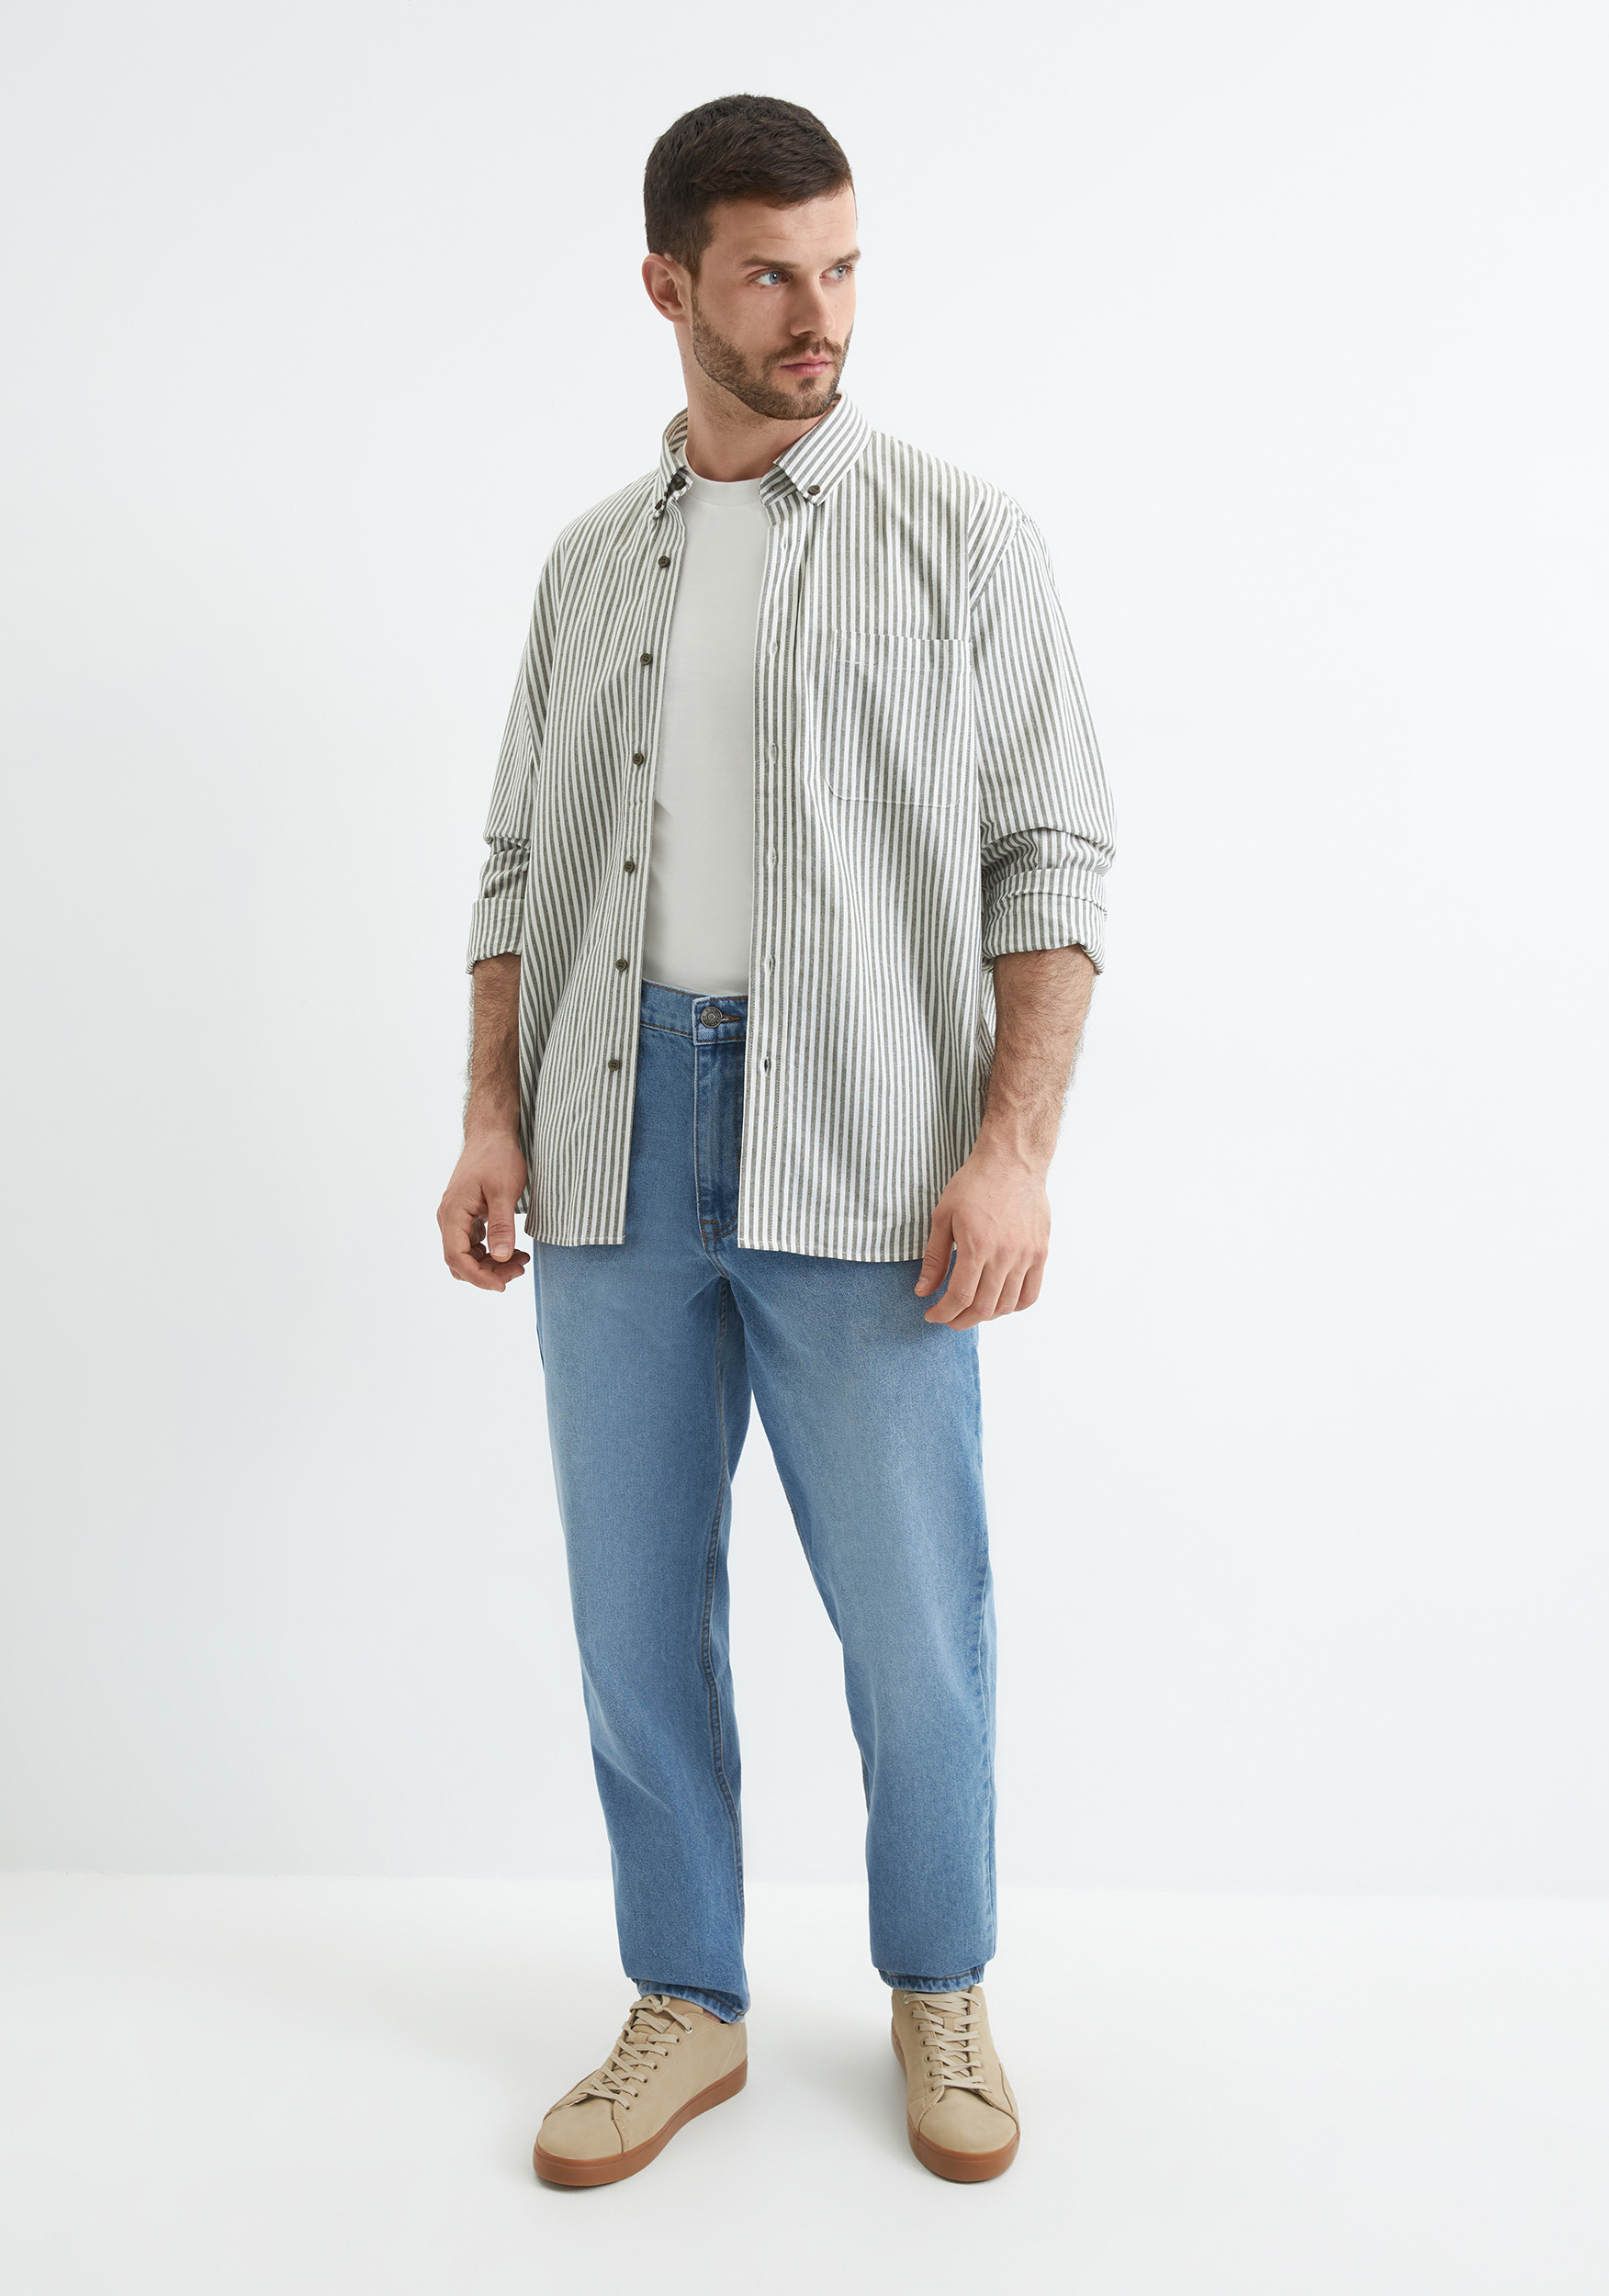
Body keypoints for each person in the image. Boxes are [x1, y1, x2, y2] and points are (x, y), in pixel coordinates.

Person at [437, 92, 1114, 2188]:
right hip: (610, 1128)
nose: (817, 313)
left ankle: (939, 1984)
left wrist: (1013, 1149)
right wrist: (488, 1110)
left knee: (915, 1620)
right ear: (669, 285)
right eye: (767, 275)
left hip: (870, 1142)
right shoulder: (586, 566)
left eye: (839, 268)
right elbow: (518, 861)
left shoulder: (961, 537)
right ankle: (687, 1999)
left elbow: (1052, 855)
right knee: (635, 1614)